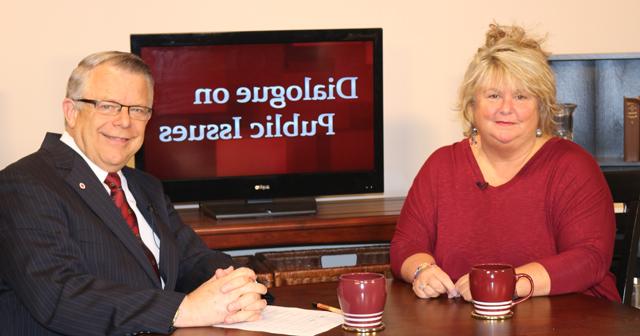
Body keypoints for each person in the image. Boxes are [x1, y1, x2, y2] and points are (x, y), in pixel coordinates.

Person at [0, 51, 268, 335]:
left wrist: (237, 284)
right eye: (108, 106)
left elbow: (191, 260)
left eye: (138, 109)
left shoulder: (145, 185)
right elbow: (57, 295)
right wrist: (182, 310)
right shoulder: (24, 184)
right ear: (71, 111)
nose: (125, 121)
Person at [390, 23, 621, 303]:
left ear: (542, 107)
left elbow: (590, 258)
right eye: (494, 95)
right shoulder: (441, 166)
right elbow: (406, 245)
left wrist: (504, 283)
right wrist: (422, 270)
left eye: (521, 96)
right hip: (465, 325)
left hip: (572, 322)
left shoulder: (572, 167)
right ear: (472, 105)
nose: (506, 108)